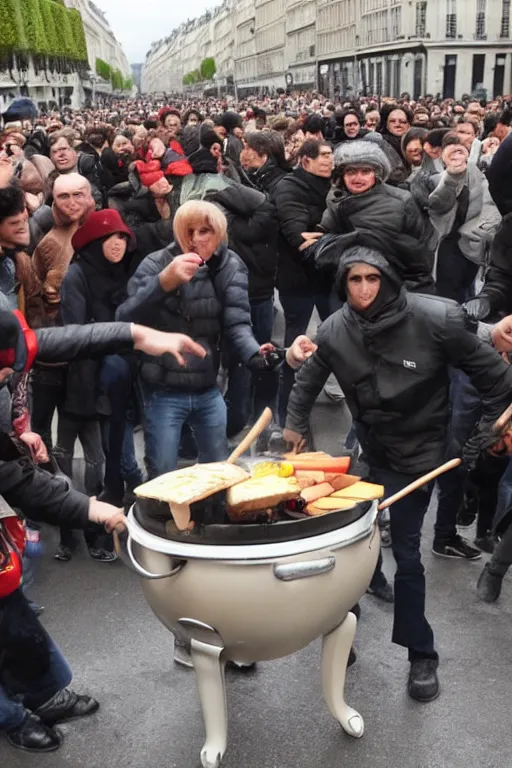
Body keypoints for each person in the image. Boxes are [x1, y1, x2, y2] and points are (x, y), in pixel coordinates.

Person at [283, 245, 512, 702]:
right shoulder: (334, 329)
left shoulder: (435, 320)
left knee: (407, 556)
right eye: (355, 280)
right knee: (347, 544)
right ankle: (343, 624)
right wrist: (294, 427)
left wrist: (481, 439)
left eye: (373, 278)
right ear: (343, 284)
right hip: (370, 449)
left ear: (388, 279)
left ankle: (421, 653)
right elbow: (308, 379)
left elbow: (497, 381)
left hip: (422, 457)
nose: (365, 288)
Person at [0, 309, 205, 753]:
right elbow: (19, 483)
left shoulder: (9, 338)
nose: (7, 375)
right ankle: (9, 715)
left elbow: (73, 339)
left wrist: (139, 334)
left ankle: (42, 692)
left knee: (8, 602)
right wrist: (92, 508)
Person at [117, 200, 272, 478]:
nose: (196, 240)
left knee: (217, 469)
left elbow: (237, 322)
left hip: (208, 385)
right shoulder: (157, 263)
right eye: (188, 231)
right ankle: (163, 519)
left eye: (205, 231)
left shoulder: (229, 264)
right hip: (162, 387)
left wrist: (255, 353)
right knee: (162, 471)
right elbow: (125, 317)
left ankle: (212, 518)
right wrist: (164, 282)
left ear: (219, 233)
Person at [315, 140, 435, 293]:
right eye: (351, 171)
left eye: (365, 171)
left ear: (376, 173)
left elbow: (423, 246)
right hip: (351, 284)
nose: (358, 178)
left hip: (394, 286)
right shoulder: (335, 200)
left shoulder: (402, 200)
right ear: (342, 175)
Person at [272, 138, 333, 424]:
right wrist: (333, 237)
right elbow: (296, 235)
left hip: (330, 278)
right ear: (305, 159)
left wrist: (321, 234)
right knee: (294, 348)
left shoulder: (335, 184)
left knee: (339, 342)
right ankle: (287, 418)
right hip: (297, 280)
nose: (329, 160)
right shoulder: (289, 186)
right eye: (323, 155)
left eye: (331, 154)